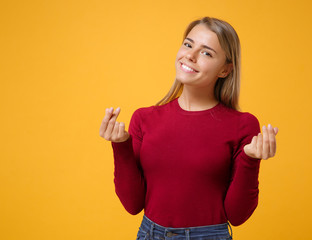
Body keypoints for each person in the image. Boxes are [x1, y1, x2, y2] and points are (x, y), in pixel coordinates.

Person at [99, 16, 278, 240]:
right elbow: (133, 204)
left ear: (225, 70)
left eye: (206, 53)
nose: (190, 56)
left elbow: (238, 215)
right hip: (150, 234)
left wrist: (250, 161)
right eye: (188, 44)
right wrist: (120, 147)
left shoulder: (242, 125)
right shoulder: (144, 118)